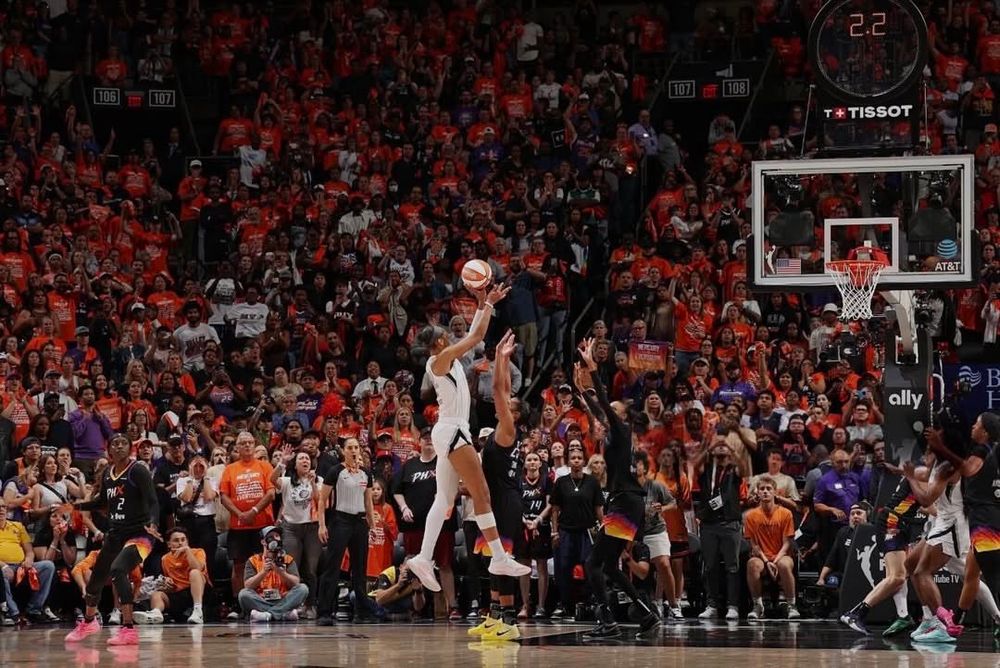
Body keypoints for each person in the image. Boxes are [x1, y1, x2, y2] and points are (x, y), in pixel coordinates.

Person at [407, 282, 530, 592]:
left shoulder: (445, 358)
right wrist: (488, 305)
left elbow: (473, 335)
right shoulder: (440, 359)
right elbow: (475, 337)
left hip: (450, 430)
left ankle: (423, 558)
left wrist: (483, 302)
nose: (449, 335)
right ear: (438, 342)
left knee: (444, 499)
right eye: (444, 334)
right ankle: (498, 557)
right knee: (481, 492)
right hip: (452, 430)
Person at [576, 338, 660, 639]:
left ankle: (608, 622)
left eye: (612, 410)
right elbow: (598, 411)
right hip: (626, 503)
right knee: (610, 567)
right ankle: (647, 614)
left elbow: (602, 404)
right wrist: (580, 387)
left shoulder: (623, 431)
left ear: (622, 415)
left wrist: (592, 369)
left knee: (593, 563)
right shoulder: (616, 436)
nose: (606, 413)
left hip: (625, 503)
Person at [66, 433, 161, 646]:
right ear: (109, 450)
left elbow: (153, 501)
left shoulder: (138, 470)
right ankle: (89, 622)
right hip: (116, 533)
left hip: (140, 533)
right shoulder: (107, 474)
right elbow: (102, 502)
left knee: (118, 569)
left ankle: (128, 629)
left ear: (130, 448)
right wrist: (74, 507)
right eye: (115, 444)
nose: (119, 447)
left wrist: (154, 523)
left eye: (123, 443)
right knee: (96, 577)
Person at [903, 446, 1000, 642]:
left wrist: (910, 478)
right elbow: (926, 476)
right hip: (942, 522)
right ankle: (929, 619)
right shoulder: (938, 464)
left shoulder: (950, 467)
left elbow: (925, 499)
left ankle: (942, 624)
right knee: (911, 564)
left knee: (926, 572)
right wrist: (907, 471)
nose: (926, 453)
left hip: (953, 524)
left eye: (930, 449)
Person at [467, 331, 525, 641]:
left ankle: (510, 620)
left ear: (515, 414)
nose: (502, 403)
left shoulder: (507, 430)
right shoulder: (501, 431)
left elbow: (499, 391)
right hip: (495, 500)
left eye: (509, 405)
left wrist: (501, 361)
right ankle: (492, 617)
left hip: (505, 501)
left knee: (502, 560)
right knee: (492, 559)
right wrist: (501, 360)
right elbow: (502, 390)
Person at [840, 452, 936, 634]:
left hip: (899, 521)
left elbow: (923, 506)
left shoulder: (922, 473)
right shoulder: (922, 473)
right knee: (897, 577)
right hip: (893, 521)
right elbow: (926, 502)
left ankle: (903, 616)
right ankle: (856, 614)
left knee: (900, 575)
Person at [316, 437, 377, 625]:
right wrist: (322, 525)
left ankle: (361, 611)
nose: (353, 450)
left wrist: (372, 525)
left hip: (360, 522)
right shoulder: (336, 471)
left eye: (356, 447)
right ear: (343, 451)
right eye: (350, 447)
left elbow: (368, 502)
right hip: (340, 520)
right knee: (332, 567)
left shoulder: (366, 473)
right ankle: (324, 612)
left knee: (360, 568)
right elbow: (322, 499)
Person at [218, 431, 275, 616]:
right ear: (237, 447)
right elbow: (224, 496)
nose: (247, 445)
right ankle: (239, 605)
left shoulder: (265, 466)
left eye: (250, 442)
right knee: (239, 566)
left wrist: (254, 511)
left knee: (265, 563)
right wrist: (240, 514)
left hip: (262, 525)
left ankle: (264, 602)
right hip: (239, 525)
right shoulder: (230, 469)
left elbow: (271, 493)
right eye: (243, 443)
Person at [550, 443, 603, 618]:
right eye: (573, 458)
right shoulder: (561, 482)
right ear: (568, 461)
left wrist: (603, 530)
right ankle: (565, 604)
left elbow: (598, 508)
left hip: (587, 531)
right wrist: (555, 532)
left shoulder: (592, 482)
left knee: (589, 566)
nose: (576, 460)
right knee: (564, 568)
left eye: (579, 458)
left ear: (584, 461)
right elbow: (555, 509)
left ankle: (589, 603)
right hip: (566, 531)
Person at [272, 446, 323, 619]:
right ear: (295, 464)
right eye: (301, 458)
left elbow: (320, 501)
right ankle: (293, 605)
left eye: (307, 459)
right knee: (292, 567)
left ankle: (310, 604)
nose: (305, 461)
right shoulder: (287, 481)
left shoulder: (319, 480)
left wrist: (313, 483)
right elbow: (272, 479)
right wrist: (282, 463)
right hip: (291, 528)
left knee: (311, 569)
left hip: (312, 528)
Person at [744, 476, 799, 620]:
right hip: (762, 557)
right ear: (757, 492)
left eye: (768, 489)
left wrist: (775, 561)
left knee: (784, 565)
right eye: (762, 489)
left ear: (775, 492)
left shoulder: (786, 513)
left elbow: (787, 543)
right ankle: (758, 606)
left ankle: (791, 605)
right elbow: (754, 545)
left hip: (782, 555)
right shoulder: (751, 516)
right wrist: (767, 562)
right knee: (752, 564)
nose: (765, 492)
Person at [133, 527, 209, 624]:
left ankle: (198, 611)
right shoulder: (165, 559)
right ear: (169, 544)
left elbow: (197, 568)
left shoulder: (198, 552)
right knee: (156, 594)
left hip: (200, 590)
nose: (180, 543)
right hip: (180, 594)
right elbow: (172, 584)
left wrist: (187, 551)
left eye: (183, 540)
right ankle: (156, 613)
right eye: (176, 540)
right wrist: (167, 584)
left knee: (194, 572)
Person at [0, 503, 59, 624]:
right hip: (3, 567)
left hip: (21, 565)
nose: (1, 509)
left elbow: (29, 551)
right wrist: (3, 566)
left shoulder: (17, 526)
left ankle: (34, 609)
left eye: (3, 507)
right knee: (1, 575)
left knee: (48, 566)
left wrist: (29, 560)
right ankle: (13, 613)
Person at [238, 525, 309, 622]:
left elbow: (296, 582)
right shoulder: (253, 560)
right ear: (263, 541)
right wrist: (263, 572)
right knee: (243, 594)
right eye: (271, 536)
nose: (275, 539)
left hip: (283, 598)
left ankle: (267, 615)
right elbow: (248, 585)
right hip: (261, 599)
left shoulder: (287, 559)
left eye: (277, 536)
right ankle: (283, 614)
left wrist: (282, 573)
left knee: (303, 588)